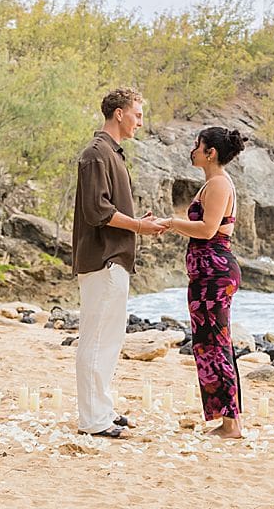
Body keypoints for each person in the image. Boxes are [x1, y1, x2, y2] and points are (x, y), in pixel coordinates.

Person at [72, 87, 165, 438]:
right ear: (120, 113)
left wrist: (137, 221)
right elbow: (98, 211)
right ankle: (94, 420)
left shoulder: (111, 153)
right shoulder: (97, 154)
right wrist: (139, 225)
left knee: (107, 339)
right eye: (138, 114)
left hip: (113, 258)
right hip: (103, 259)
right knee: (96, 340)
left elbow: (109, 210)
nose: (141, 122)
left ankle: (102, 410)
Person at [157, 126, 248, 439]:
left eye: (197, 146)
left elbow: (208, 229)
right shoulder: (211, 184)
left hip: (215, 274)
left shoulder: (220, 184)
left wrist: (171, 224)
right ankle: (229, 419)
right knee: (208, 344)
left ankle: (231, 424)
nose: (192, 150)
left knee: (214, 344)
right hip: (207, 274)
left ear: (210, 153)